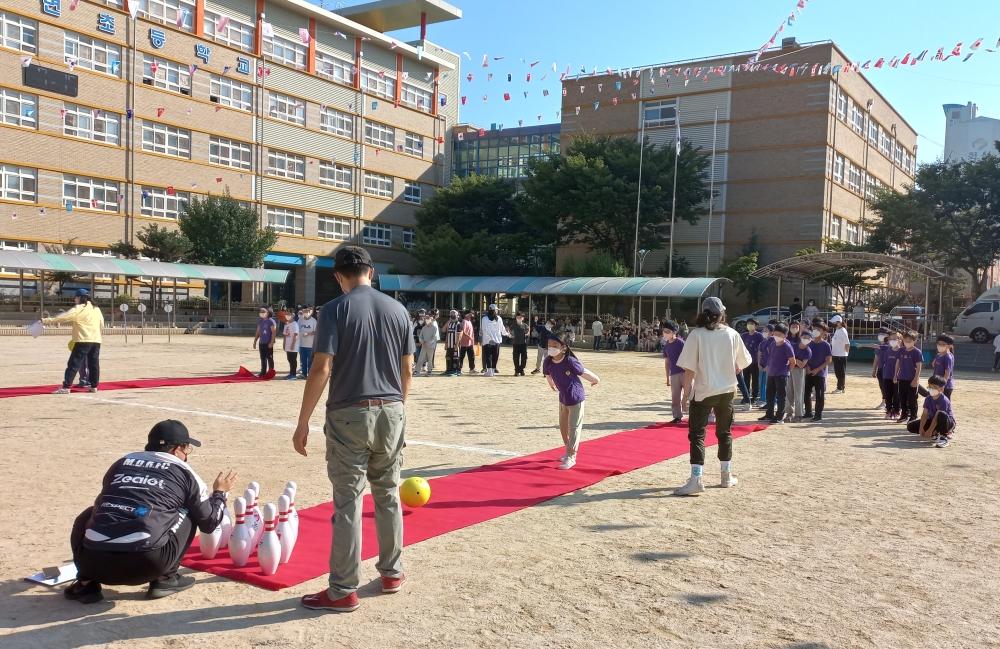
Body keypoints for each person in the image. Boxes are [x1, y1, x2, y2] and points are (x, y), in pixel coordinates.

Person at [292, 246, 413, 613]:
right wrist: (398, 410)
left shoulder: (334, 309)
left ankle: (343, 589)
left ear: (339, 276)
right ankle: (392, 573)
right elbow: (408, 369)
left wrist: (303, 422)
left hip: (349, 412)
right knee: (388, 493)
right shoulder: (399, 310)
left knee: (348, 502)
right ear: (371, 272)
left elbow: (321, 368)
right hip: (392, 409)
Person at [64, 420, 238, 604]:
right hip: (146, 564)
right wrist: (220, 493)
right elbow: (209, 523)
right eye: (187, 449)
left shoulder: (120, 463)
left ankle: (85, 582)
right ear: (177, 449)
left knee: (90, 512)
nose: (187, 455)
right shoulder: (185, 471)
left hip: (92, 563)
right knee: (190, 508)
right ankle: (166, 579)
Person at [674, 297, 753, 496]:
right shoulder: (732, 333)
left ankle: (696, 479)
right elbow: (745, 360)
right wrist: (733, 366)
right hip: (727, 391)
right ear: (722, 313)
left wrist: (685, 394)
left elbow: (690, 367)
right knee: (724, 433)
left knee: (697, 435)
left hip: (704, 392)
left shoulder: (697, 334)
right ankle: (726, 476)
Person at [543, 332, 600, 470]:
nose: (551, 348)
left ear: (563, 347)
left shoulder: (570, 361)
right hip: (563, 398)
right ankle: (567, 449)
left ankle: (571, 456)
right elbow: (548, 375)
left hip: (575, 397)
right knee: (563, 426)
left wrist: (595, 379)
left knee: (574, 427)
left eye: (555, 345)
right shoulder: (548, 361)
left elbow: (583, 371)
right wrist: (551, 384)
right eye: (549, 345)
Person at [45, 288, 103, 394]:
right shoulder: (96, 309)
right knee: (93, 364)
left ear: (79, 297)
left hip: (83, 340)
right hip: (96, 340)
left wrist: (45, 320)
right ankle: (94, 386)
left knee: (73, 364)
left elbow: (64, 317)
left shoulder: (79, 308)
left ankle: (66, 387)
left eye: (75, 298)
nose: (74, 300)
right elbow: (101, 324)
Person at [907, 375, 955, 448]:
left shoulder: (943, 400)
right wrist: (921, 428)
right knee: (911, 426)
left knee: (941, 414)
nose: (932, 389)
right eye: (930, 386)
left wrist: (929, 430)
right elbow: (925, 414)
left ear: (941, 389)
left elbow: (937, 417)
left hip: (946, 422)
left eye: (935, 387)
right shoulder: (928, 398)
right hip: (932, 419)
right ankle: (935, 433)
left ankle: (943, 438)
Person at [760, 322, 794, 425]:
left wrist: (786, 370)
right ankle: (769, 414)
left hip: (782, 374)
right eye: (776, 334)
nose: (777, 336)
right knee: (770, 395)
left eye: (780, 334)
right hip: (772, 373)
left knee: (781, 396)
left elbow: (793, 361)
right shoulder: (772, 344)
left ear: (785, 335)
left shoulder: (787, 346)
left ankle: (779, 416)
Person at [803, 323, 833, 421]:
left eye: (819, 329)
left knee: (819, 394)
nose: (816, 330)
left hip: (820, 373)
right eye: (815, 328)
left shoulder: (825, 344)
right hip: (808, 372)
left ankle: (818, 414)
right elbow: (805, 357)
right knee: (806, 393)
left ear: (824, 332)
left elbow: (828, 360)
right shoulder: (809, 343)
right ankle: (808, 412)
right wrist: (807, 367)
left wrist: (818, 369)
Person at [662, 321, 688, 424]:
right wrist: (667, 378)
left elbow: (687, 356)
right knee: (675, 397)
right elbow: (667, 362)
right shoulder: (666, 346)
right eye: (664, 332)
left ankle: (698, 416)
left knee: (691, 395)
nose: (665, 334)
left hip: (685, 373)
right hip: (674, 374)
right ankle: (677, 416)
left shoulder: (680, 342)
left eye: (668, 331)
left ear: (674, 332)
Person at [893, 331, 923, 423]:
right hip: (902, 377)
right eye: (905, 340)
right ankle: (904, 415)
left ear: (915, 341)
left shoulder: (917, 352)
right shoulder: (901, 350)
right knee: (902, 398)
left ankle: (913, 416)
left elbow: (918, 367)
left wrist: (915, 379)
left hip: (912, 378)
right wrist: (895, 375)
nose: (907, 342)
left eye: (909, 340)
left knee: (912, 399)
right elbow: (897, 363)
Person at [787, 328, 813, 421]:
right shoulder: (793, 346)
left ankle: (799, 414)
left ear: (810, 340)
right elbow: (789, 357)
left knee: (798, 392)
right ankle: (789, 412)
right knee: (789, 392)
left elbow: (802, 364)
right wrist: (795, 360)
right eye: (804, 337)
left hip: (799, 371)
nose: (805, 338)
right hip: (790, 369)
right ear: (801, 337)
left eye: (808, 337)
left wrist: (795, 360)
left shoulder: (808, 351)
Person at [480, 304, 509, 377]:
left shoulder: (484, 319)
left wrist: (488, 339)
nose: (497, 311)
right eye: (496, 310)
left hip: (488, 341)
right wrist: (508, 334)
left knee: (488, 355)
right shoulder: (498, 319)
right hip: (497, 340)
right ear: (494, 310)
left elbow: (484, 330)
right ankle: (492, 369)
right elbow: (502, 329)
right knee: (495, 355)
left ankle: (490, 370)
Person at [741, 318, 764, 405]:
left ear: (756, 326)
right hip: (746, 360)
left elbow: (763, 346)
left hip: (755, 360)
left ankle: (754, 396)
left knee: (755, 379)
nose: (749, 325)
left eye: (752, 323)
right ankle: (746, 396)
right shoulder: (744, 335)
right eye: (748, 323)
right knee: (745, 379)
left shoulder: (759, 335)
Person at [881, 332, 902, 420]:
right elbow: (885, 363)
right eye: (891, 339)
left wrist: (896, 375)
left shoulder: (902, 351)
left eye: (895, 339)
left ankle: (897, 411)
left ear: (900, 340)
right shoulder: (888, 351)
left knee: (897, 395)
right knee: (888, 394)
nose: (892, 341)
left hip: (898, 377)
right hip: (887, 376)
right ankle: (889, 411)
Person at [253, 307, 277, 378]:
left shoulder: (271, 321)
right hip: (262, 342)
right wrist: (255, 341)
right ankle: (263, 371)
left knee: (269, 357)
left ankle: (271, 371)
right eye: (261, 311)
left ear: (268, 312)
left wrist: (272, 342)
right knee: (263, 358)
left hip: (268, 342)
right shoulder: (260, 321)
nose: (261, 313)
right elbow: (258, 332)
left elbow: (274, 332)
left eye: (263, 311)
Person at [828, 315, 850, 393]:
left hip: (841, 354)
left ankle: (840, 387)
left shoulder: (843, 331)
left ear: (838, 322)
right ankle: (840, 386)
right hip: (836, 354)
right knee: (837, 371)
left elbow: (847, 343)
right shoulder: (837, 330)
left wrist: (846, 352)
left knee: (840, 372)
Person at [931, 334, 955, 400]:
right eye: (939, 344)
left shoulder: (948, 357)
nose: (940, 346)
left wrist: (943, 385)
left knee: (944, 403)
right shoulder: (939, 355)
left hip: (945, 386)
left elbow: (947, 372)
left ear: (949, 346)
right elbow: (934, 364)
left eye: (943, 344)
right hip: (937, 383)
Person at [415, 312, 439, 376]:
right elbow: (420, 337)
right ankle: (417, 371)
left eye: (429, 318)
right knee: (420, 359)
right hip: (424, 346)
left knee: (430, 359)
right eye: (426, 318)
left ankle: (429, 371)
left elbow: (433, 337)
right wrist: (423, 343)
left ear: (431, 319)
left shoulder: (434, 328)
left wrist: (427, 343)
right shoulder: (424, 328)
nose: (427, 320)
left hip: (430, 347)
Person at [297, 305, 317, 378]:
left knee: (310, 360)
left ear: (311, 311)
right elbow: (297, 330)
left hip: (310, 344)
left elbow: (316, 331)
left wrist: (308, 334)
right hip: (302, 343)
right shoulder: (300, 320)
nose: (306, 312)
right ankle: (303, 373)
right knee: (303, 360)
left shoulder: (313, 321)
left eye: (308, 311)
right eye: (305, 311)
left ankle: (310, 374)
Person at [443, 310, 462, 376]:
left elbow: (459, 335)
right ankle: (448, 370)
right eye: (451, 313)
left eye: (454, 313)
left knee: (455, 358)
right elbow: (445, 331)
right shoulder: (449, 324)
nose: (452, 315)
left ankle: (456, 370)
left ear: (457, 315)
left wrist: (456, 345)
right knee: (448, 357)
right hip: (449, 345)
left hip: (455, 344)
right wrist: (446, 343)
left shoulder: (458, 324)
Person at [281, 310, 299, 380]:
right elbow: (285, 335)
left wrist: (293, 344)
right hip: (287, 345)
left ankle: (293, 374)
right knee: (289, 359)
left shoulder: (295, 324)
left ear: (292, 315)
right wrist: (284, 344)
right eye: (286, 314)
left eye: (288, 314)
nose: (287, 316)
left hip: (293, 345)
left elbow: (295, 335)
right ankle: (291, 373)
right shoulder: (286, 324)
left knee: (293, 359)